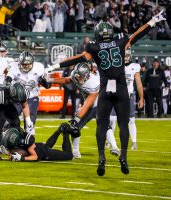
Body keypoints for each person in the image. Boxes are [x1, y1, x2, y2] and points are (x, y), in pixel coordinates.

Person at [46, 11, 167, 176]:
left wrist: (55, 66)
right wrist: (153, 20)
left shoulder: (93, 47)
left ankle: (101, 157)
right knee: (123, 125)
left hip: (105, 90)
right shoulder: (120, 41)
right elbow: (137, 34)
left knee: (102, 125)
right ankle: (123, 156)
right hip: (121, 89)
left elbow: (77, 59)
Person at [48, 62, 120, 159]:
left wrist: (77, 118)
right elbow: (67, 80)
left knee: (103, 124)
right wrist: (50, 80)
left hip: (101, 102)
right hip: (88, 103)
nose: (79, 79)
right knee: (75, 128)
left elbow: (88, 103)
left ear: (87, 75)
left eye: (81, 77)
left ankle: (115, 147)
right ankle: (76, 152)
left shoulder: (94, 82)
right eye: (78, 76)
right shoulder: (75, 75)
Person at [0, 82, 34, 160]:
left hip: (8, 103)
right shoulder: (1, 94)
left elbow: (24, 106)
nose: (18, 102)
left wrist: (28, 121)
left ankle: (14, 147)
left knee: (16, 122)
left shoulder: (21, 93)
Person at [109, 48, 144, 150]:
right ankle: (110, 141)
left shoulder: (135, 67)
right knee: (112, 120)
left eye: (126, 56)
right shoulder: (115, 65)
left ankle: (134, 142)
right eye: (123, 56)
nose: (125, 58)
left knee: (131, 120)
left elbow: (139, 84)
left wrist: (141, 98)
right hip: (116, 95)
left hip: (128, 96)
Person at [6, 51, 51, 125]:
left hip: (32, 98)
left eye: (28, 64)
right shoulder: (14, 67)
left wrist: (44, 81)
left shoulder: (39, 67)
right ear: (19, 63)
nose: (26, 66)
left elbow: (48, 86)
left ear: (32, 63)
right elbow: (8, 79)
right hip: (17, 98)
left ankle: (28, 135)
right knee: (11, 121)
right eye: (24, 64)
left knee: (30, 123)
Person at [0, 123, 75, 161]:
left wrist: (22, 159)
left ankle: (65, 133)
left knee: (69, 156)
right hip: (39, 148)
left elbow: (35, 157)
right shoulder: (18, 141)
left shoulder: (27, 140)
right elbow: (14, 155)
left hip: (43, 152)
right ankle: (59, 131)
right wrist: (11, 154)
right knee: (47, 146)